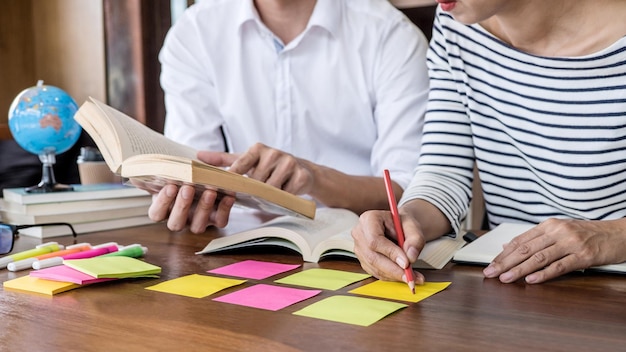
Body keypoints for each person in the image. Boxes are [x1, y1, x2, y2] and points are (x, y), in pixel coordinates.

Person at [352, 0, 626, 285]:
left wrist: (615, 236)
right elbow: (444, 172)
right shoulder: (456, 26)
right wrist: (407, 221)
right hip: (512, 290)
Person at [148, 0, 430, 233]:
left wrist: (314, 177)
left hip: (356, 244)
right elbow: (193, 161)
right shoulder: (194, 33)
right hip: (235, 241)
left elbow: (408, 190)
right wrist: (186, 195)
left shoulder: (390, 34)